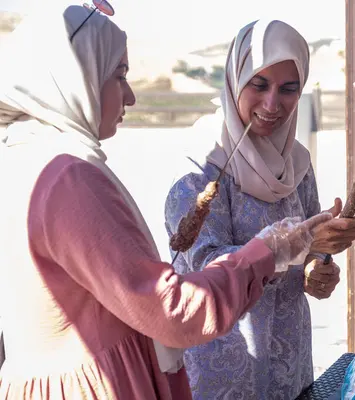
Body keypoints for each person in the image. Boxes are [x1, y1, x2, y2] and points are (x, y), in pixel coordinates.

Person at [0, 6, 332, 400]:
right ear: (72, 78)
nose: (131, 94)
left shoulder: (30, 157)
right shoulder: (68, 177)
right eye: (119, 74)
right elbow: (171, 307)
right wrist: (271, 251)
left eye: (289, 88)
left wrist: (314, 257)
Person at [164, 19, 355, 399]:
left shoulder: (296, 164)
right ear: (235, 79)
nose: (273, 104)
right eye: (258, 85)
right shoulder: (200, 169)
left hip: (290, 364)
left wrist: (315, 266)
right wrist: (300, 244)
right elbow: (206, 267)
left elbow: (307, 253)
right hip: (222, 369)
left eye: (288, 89)